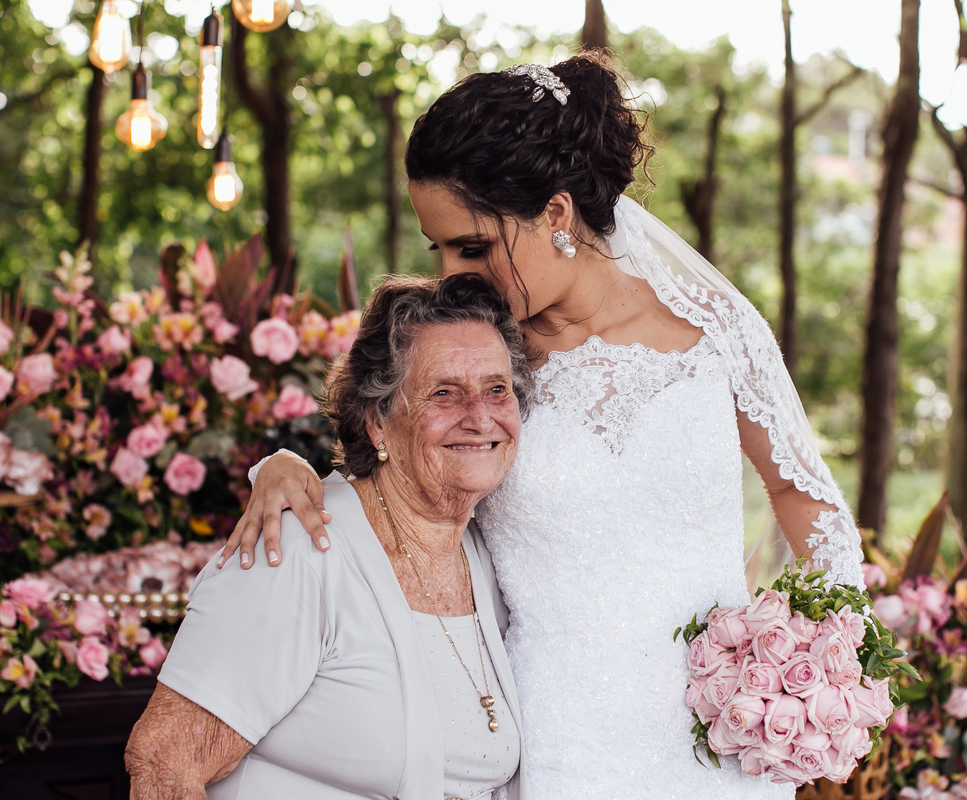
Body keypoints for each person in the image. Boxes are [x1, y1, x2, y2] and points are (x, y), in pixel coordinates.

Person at [225, 53, 865, 799]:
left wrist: (821, 652)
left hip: (724, 739)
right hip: (557, 741)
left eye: (475, 245)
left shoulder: (718, 332)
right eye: (441, 250)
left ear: (556, 214)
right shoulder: (479, 362)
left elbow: (803, 493)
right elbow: (385, 468)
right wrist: (284, 468)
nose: (457, 273)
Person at [125, 274, 533, 800]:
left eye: (497, 389)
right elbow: (163, 762)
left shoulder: (488, 552)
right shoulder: (295, 548)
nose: (479, 416)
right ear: (378, 422)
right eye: (444, 393)